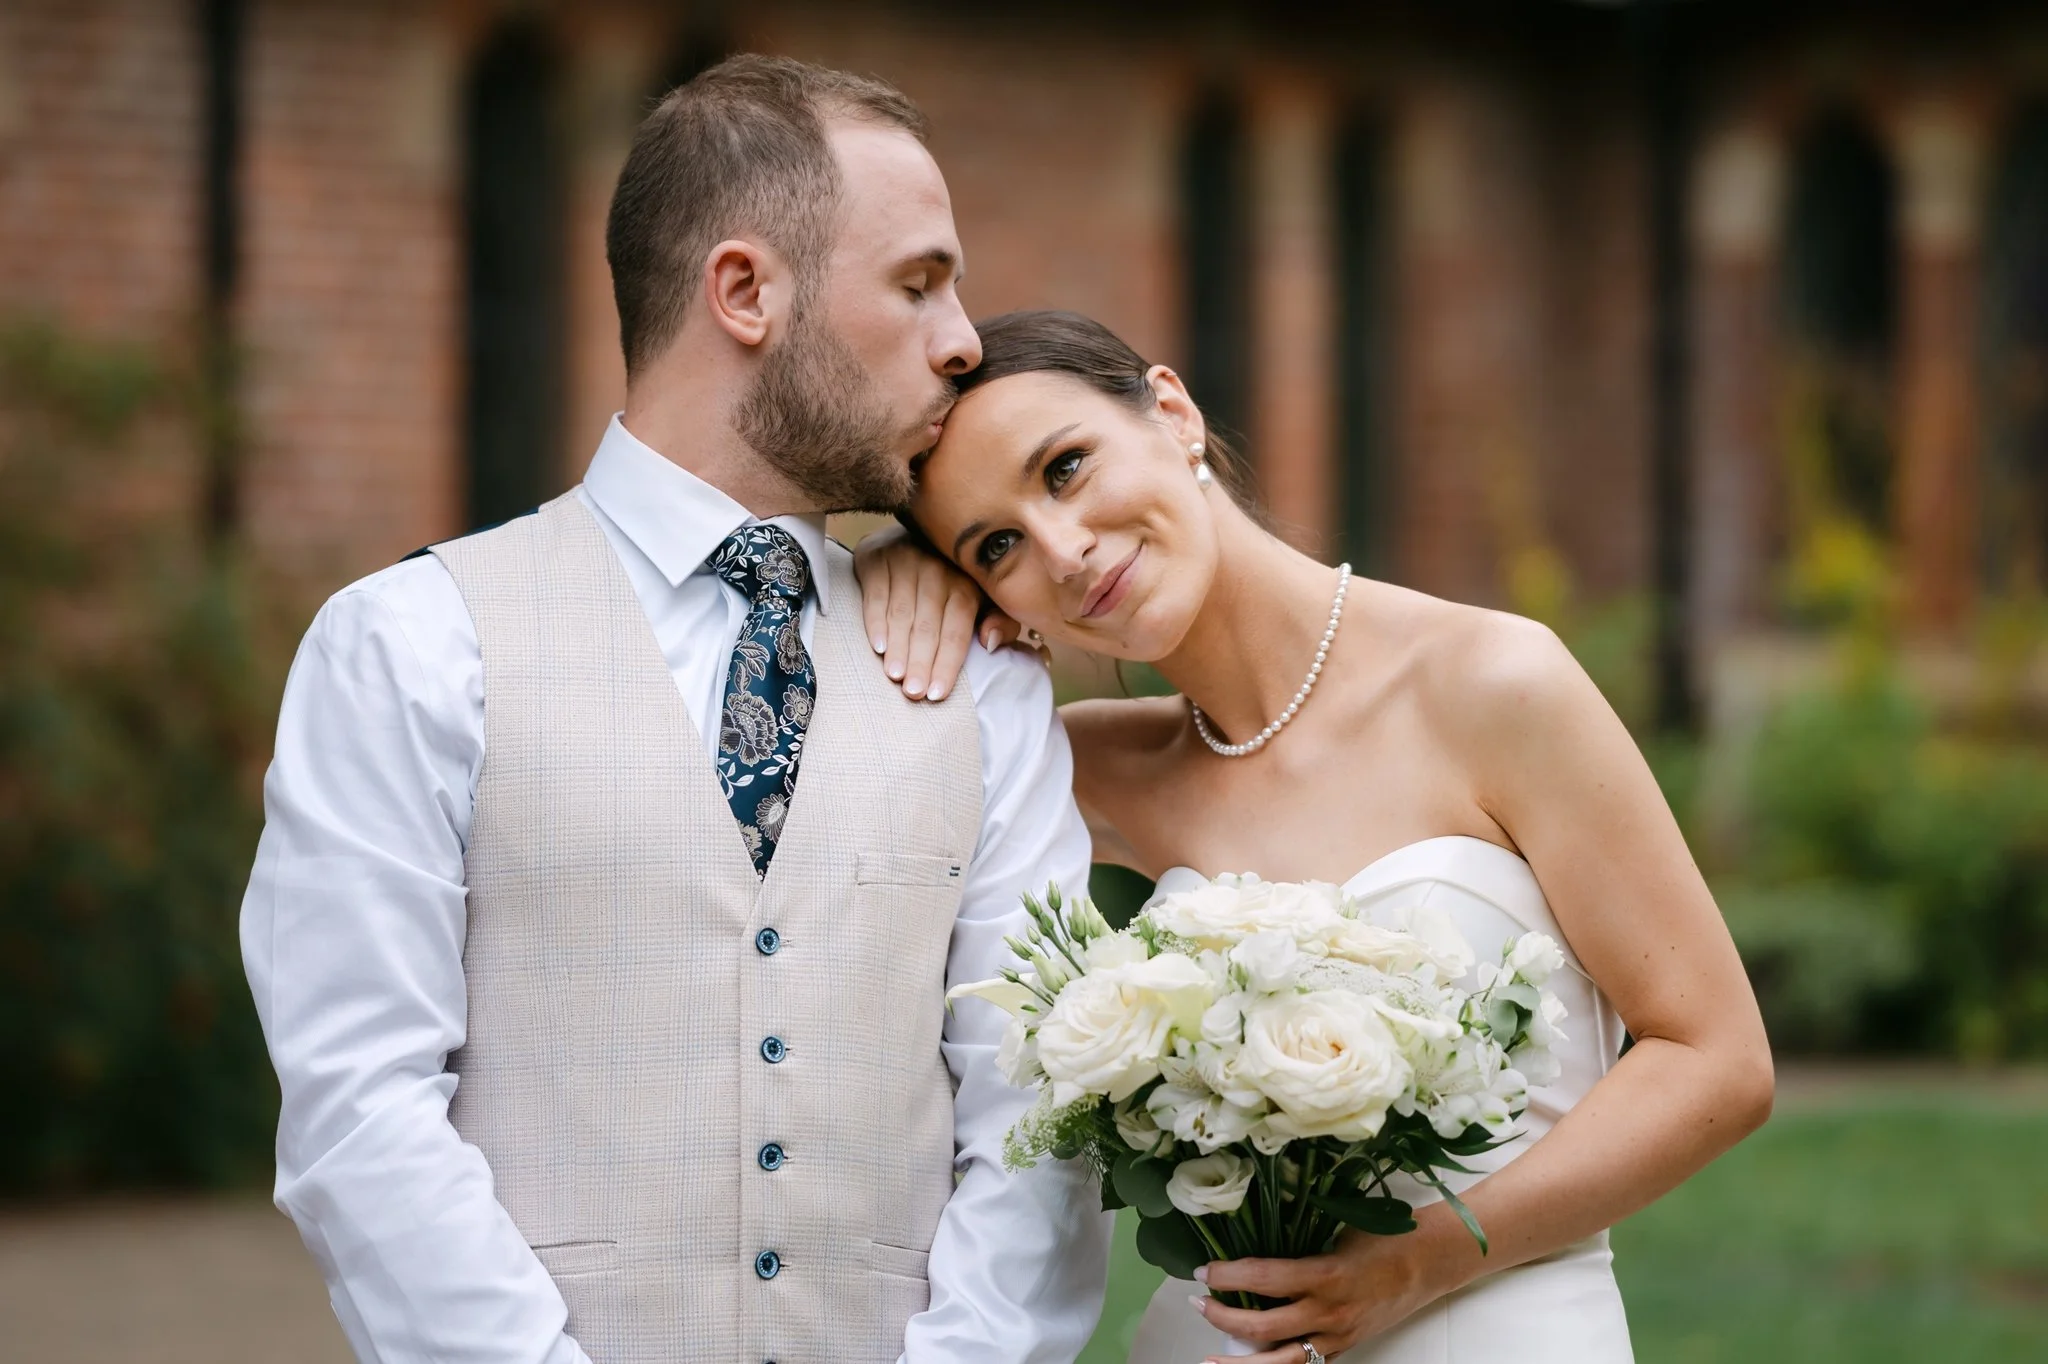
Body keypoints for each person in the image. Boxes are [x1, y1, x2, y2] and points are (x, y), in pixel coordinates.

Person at [240, 60, 1110, 1364]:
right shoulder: (409, 649)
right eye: (920, 282)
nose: (964, 339)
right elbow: (361, 1113)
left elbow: (1035, 1108)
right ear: (747, 292)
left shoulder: (979, 677)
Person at [855, 309, 1775, 1364]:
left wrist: (1422, 1259)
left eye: (1064, 467)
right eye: (997, 545)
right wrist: (884, 571)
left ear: (1170, 410)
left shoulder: (1491, 684)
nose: (1062, 552)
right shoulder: (1079, 770)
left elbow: (1716, 1059)